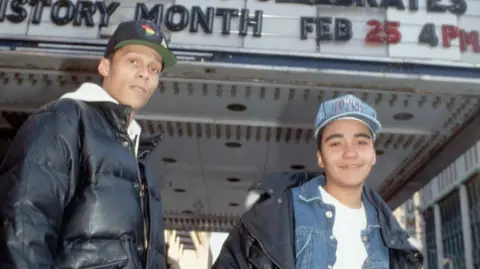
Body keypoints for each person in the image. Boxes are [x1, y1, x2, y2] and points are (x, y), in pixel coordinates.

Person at [0, 19, 176, 269]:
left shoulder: (139, 154)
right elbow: (23, 225)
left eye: (154, 69)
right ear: (105, 66)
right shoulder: (64, 119)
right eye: (133, 61)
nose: (144, 73)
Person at [212, 94, 424, 269]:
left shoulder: (396, 242)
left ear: (373, 154)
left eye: (360, 142)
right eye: (336, 144)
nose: (350, 153)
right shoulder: (270, 218)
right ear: (320, 157)